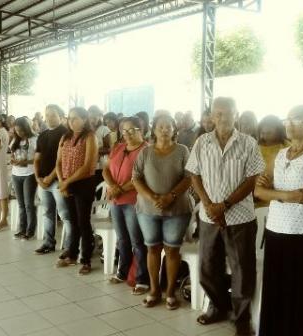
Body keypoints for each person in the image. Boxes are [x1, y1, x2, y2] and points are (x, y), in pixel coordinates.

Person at [187, 97, 265, 335]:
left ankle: (242, 318)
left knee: (242, 268)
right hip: (209, 216)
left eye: (227, 113)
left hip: (240, 217)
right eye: (217, 113)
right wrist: (209, 204)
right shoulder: (202, 142)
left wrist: (226, 204)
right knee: (209, 266)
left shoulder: (248, 143)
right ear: (211, 116)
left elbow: (252, 180)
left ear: (236, 114)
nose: (222, 118)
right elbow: (194, 175)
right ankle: (218, 307)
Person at [254, 105, 303, 336]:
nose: (287, 124)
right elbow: (258, 191)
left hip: (302, 233)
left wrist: (275, 193)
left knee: (300, 293)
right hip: (276, 230)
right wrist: (286, 195)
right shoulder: (279, 154)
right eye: (286, 119)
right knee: (275, 291)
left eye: (294, 120)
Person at [132, 114, 192, 310]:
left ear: (174, 129)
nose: (164, 130)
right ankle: (154, 289)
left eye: (168, 126)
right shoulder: (145, 152)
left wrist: (170, 196)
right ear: (154, 129)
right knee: (152, 248)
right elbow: (136, 178)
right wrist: (153, 198)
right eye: (160, 127)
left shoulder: (183, 150)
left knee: (172, 250)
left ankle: (170, 292)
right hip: (148, 209)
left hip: (177, 209)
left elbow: (190, 177)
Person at [103, 116, 149, 294]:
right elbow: (106, 170)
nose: (128, 134)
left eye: (132, 130)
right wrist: (113, 187)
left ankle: (142, 279)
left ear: (141, 130)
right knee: (122, 239)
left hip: (133, 201)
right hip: (115, 199)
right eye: (124, 131)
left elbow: (141, 177)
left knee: (137, 241)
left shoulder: (146, 150)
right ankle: (122, 272)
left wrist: (119, 189)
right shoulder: (118, 147)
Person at [55, 107, 98, 275]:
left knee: (83, 222)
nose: (71, 121)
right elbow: (58, 162)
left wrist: (66, 183)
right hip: (66, 182)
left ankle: (86, 259)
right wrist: (61, 181)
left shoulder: (90, 137)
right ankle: (72, 255)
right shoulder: (65, 137)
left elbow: (88, 165)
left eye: (76, 118)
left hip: (83, 184)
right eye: (70, 118)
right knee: (72, 221)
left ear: (85, 119)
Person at [33, 104, 72, 256]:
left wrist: (50, 177)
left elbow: (63, 161)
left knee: (65, 214)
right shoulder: (42, 135)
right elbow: (37, 158)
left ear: (61, 117)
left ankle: (70, 247)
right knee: (47, 213)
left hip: (58, 180)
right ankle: (49, 243)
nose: (49, 117)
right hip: (42, 181)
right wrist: (38, 178)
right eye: (47, 114)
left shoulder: (66, 134)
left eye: (53, 114)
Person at [10, 117, 38, 240]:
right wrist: (13, 161)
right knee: (21, 204)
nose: (19, 133)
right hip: (16, 174)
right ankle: (22, 229)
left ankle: (30, 231)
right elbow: (12, 154)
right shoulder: (15, 141)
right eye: (16, 131)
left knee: (28, 205)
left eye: (21, 130)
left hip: (29, 174)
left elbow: (38, 158)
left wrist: (26, 161)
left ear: (27, 128)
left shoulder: (34, 139)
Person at [256, 115, 288, 208]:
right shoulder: (255, 146)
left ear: (279, 131)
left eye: (269, 133)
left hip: (278, 198)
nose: (265, 136)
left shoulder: (287, 147)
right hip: (256, 199)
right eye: (263, 132)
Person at [88, 105, 111, 186]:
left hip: (100, 165)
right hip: (88, 164)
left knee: (99, 186)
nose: (92, 119)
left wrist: (93, 150)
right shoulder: (86, 130)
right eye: (90, 117)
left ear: (99, 116)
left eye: (95, 117)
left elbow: (109, 149)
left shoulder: (104, 129)